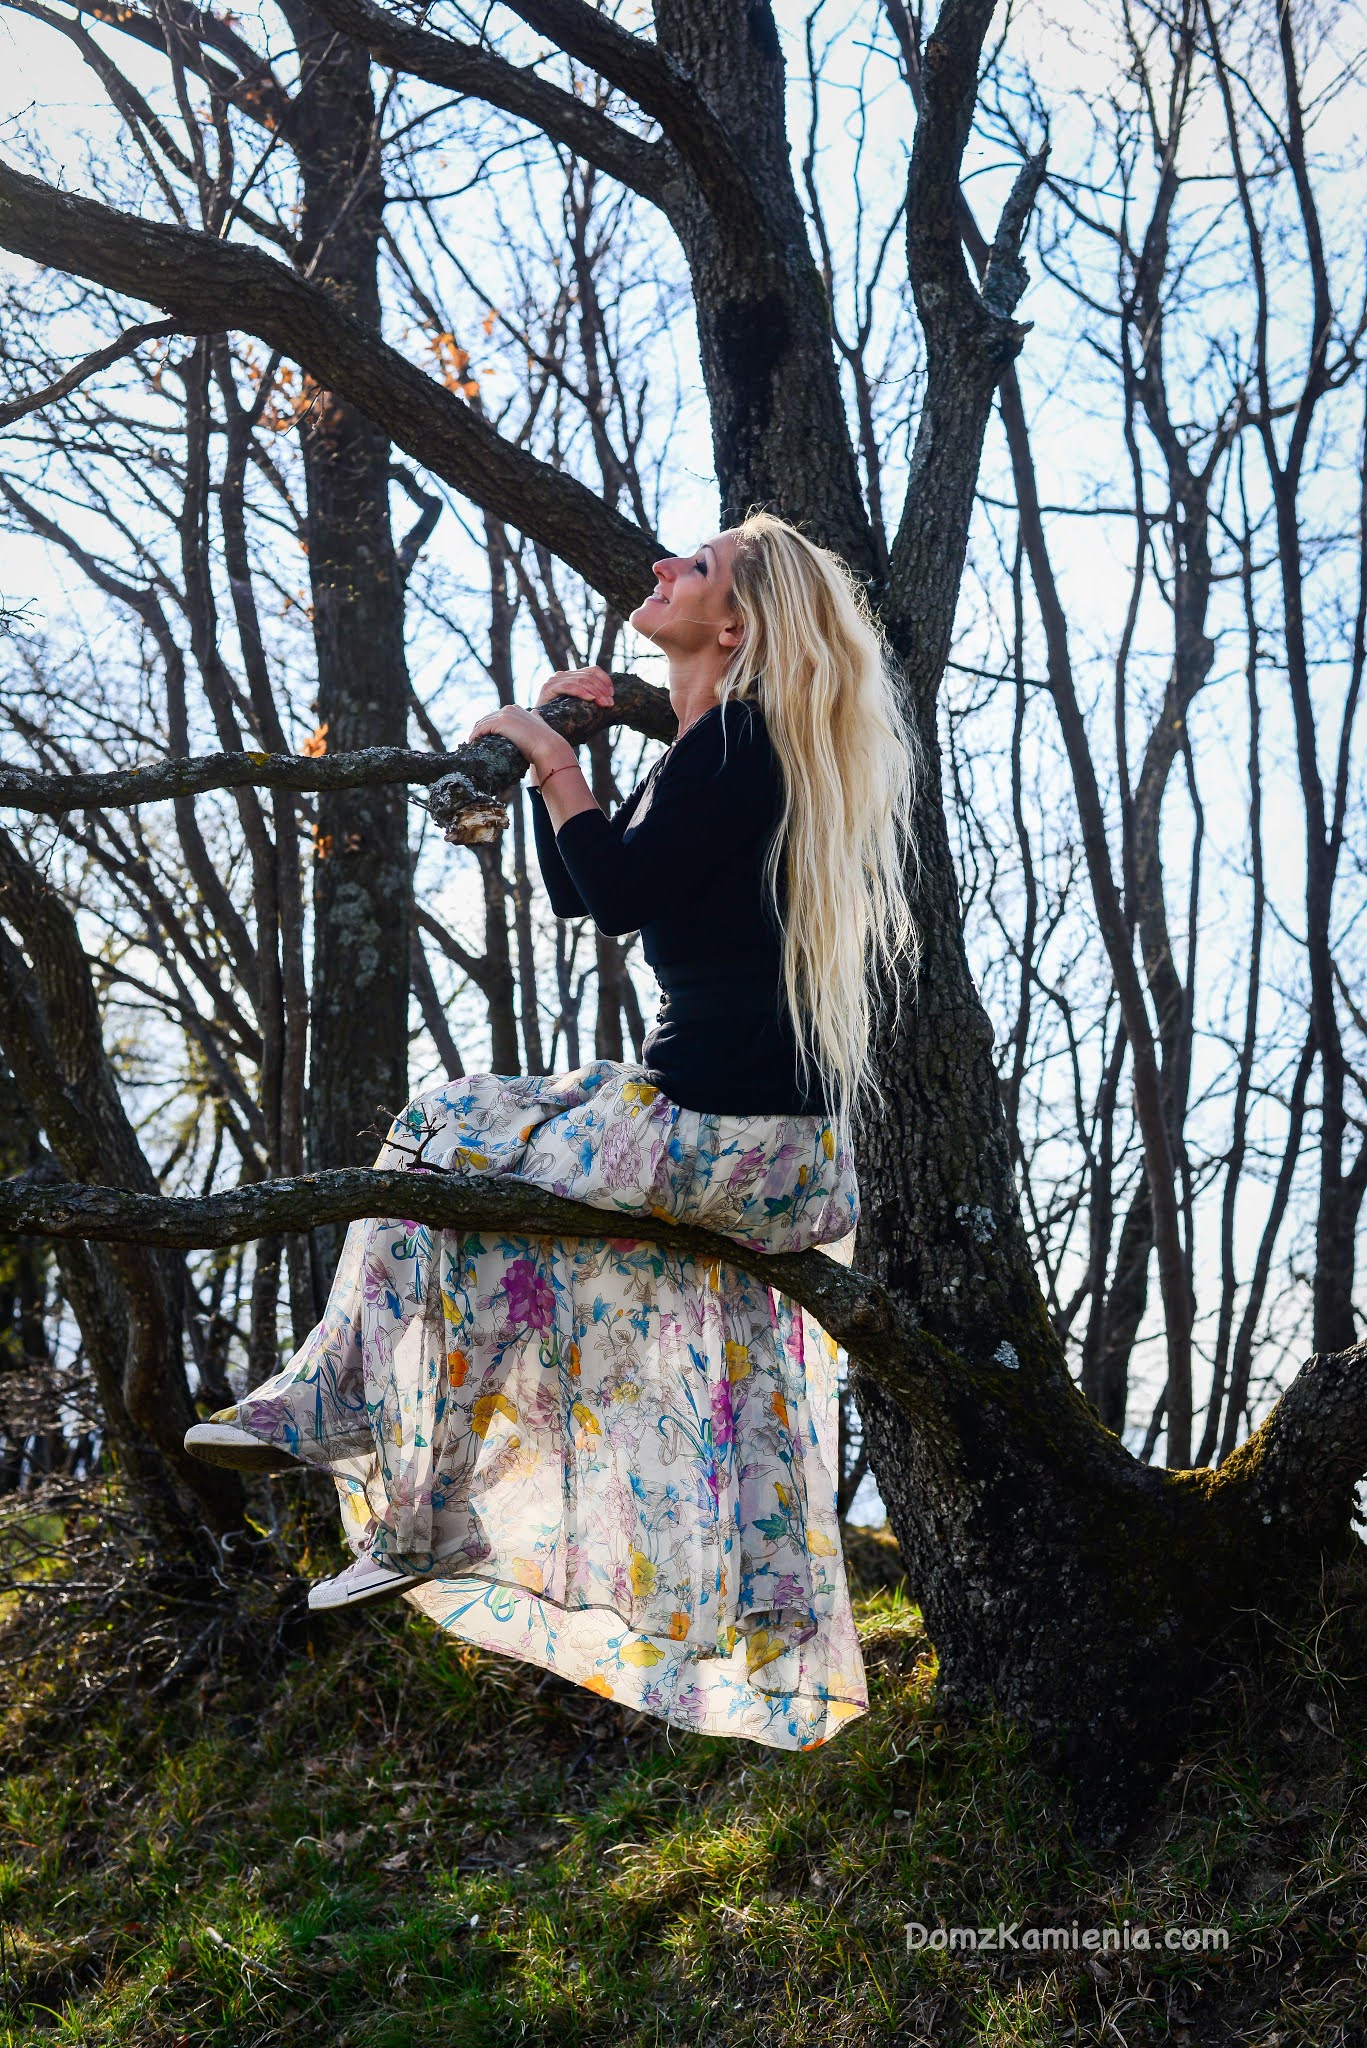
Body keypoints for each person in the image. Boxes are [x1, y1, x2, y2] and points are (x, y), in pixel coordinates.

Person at [183, 511, 921, 1752]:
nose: (662, 567)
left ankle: (353, 1417)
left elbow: (614, 890)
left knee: (442, 1139)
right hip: (760, 1139)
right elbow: (591, 886)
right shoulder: (728, 744)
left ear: (734, 624)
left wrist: (543, 750)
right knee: (476, 1186)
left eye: (694, 566)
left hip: (717, 1129)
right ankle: (420, 1493)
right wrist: (554, 756)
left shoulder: (742, 736)